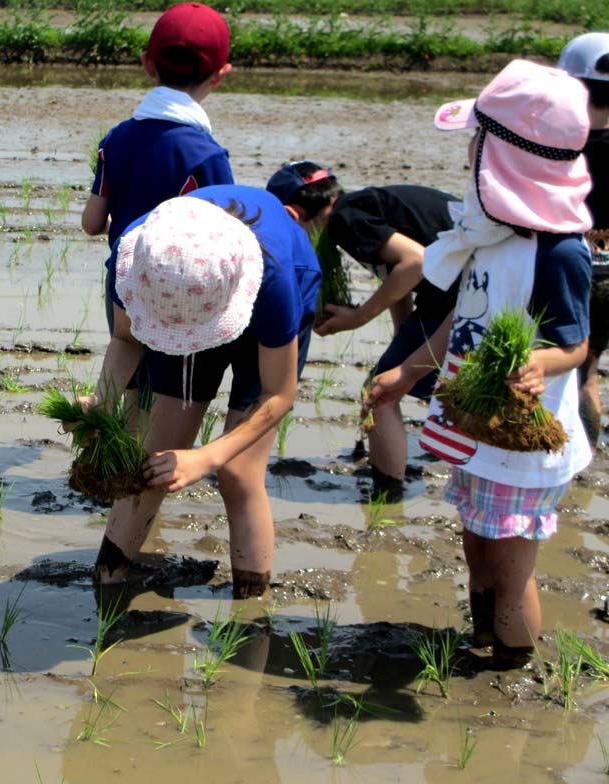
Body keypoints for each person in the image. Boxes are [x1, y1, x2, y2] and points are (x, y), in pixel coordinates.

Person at [365, 60, 593, 669]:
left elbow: (576, 344)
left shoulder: (558, 250)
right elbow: (458, 321)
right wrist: (410, 370)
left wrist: (544, 361)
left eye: (479, 139)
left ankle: (511, 666)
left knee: (510, 565)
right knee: (476, 543)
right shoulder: (490, 232)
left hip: (521, 440)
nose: (470, 149)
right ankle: (481, 639)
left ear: (508, 158)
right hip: (476, 427)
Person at [86, 185, 320, 600]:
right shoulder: (140, 256)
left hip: (259, 296)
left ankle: (250, 608)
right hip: (186, 296)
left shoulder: (277, 282)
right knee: (152, 459)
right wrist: (102, 401)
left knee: (239, 473)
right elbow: (126, 342)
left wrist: (206, 458)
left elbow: (279, 394)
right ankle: (107, 583)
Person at [266, 162, 459, 500]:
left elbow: (415, 261)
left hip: (459, 294)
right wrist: (402, 346)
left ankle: (388, 497)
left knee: (379, 393)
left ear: (295, 214)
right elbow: (397, 277)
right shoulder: (361, 206)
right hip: (475, 287)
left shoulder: (344, 219)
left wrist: (359, 317)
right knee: (408, 380)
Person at [81, 1, 234, 330]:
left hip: (122, 285)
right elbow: (223, 242)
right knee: (170, 384)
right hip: (179, 295)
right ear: (221, 74)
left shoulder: (115, 139)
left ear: (147, 64)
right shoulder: (207, 157)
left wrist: (128, 224)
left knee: (124, 374)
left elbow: (93, 223)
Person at [558, 32, 609, 444]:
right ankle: (588, 452)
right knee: (589, 369)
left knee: (567, 370)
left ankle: (573, 457)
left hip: (569, 265)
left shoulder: (555, 143)